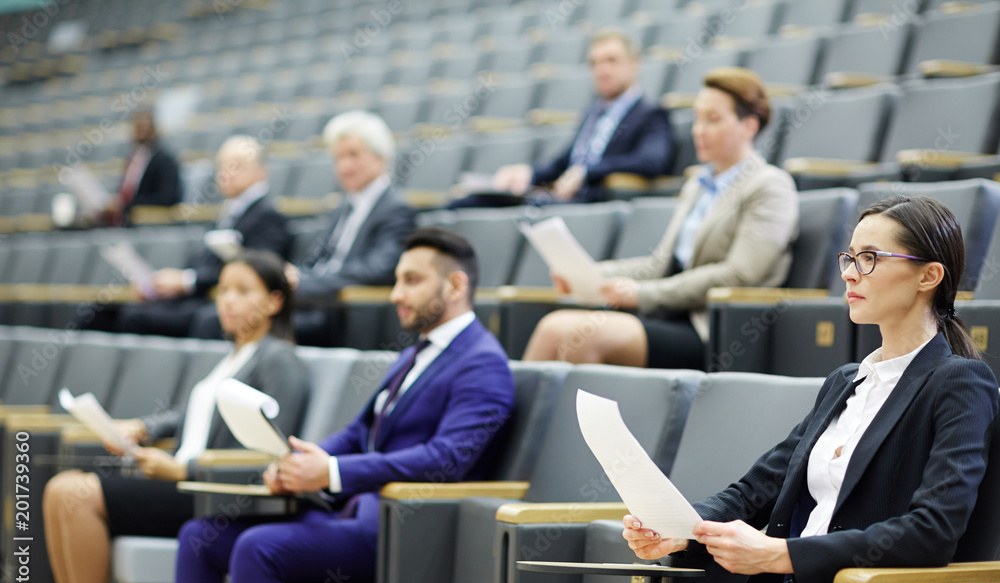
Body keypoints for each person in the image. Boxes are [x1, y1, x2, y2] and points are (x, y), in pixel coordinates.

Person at [538, 194, 999, 583]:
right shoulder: (847, 380)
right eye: (849, 257)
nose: (849, 273)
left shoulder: (959, 381)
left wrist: (784, 555)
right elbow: (755, 489)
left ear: (929, 276)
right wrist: (680, 528)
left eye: (870, 259)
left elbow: (933, 530)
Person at [164, 227, 515, 583]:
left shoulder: (482, 362)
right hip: (346, 512)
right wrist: (300, 462)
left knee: (257, 547)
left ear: (456, 285)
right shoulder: (416, 353)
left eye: (411, 280)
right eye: (396, 280)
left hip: (399, 529)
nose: (394, 294)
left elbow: (447, 459)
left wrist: (331, 473)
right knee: (199, 538)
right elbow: (356, 432)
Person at [43, 250, 310, 583]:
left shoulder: (280, 360)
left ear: (275, 301)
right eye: (223, 290)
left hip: (207, 492)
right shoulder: (233, 356)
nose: (227, 301)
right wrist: (145, 428)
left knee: (75, 492)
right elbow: (191, 415)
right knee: (58, 492)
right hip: (180, 480)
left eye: (242, 291)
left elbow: (270, 454)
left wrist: (182, 468)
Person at [522, 67, 798, 369]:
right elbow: (660, 264)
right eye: (697, 118)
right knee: (552, 329)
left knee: (575, 335)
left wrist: (642, 294)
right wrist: (592, 275)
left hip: (714, 328)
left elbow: (739, 274)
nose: (698, 130)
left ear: (749, 126)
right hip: (668, 314)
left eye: (713, 120)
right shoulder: (697, 185)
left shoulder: (769, 185)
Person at [193, 111, 416, 345]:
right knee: (216, 317)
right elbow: (319, 259)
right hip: (311, 303)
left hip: (338, 312)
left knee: (213, 322)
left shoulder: (396, 209)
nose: (344, 166)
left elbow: (377, 269)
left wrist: (305, 283)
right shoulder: (342, 207)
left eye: (353, 155)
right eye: (338, 158)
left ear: (380, 158)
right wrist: (293, 275)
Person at [455, 28, 672, 206]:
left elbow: (650, 161)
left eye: (611, 60)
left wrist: (588, 172)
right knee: (466, 203)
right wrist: (526, 173)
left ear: (635, 63)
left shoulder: (650, 113)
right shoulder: (593, 113)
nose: (601, 70)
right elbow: (561, 165)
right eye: (594, 63)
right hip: (559, 198)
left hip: (591, 202)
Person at [113, 135, 292, 337]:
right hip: (196, 298)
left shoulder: (268, 216)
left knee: (134, 317)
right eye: (222, 167)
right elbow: (202, 261)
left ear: (261, 172)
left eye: (237, 166)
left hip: (213, 301)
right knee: (109, 310)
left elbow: (257, 273)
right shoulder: (228, 213)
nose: (227, 173)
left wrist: (186, 281)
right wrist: (170, 285)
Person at [103, 108, 182, 226]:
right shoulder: (132, 159)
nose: (141, 130)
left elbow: (167, 197)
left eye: (145, 126)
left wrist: (127, 205)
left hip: (143, 221)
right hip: (122, 216)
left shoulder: (165, 161)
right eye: (137, 126)